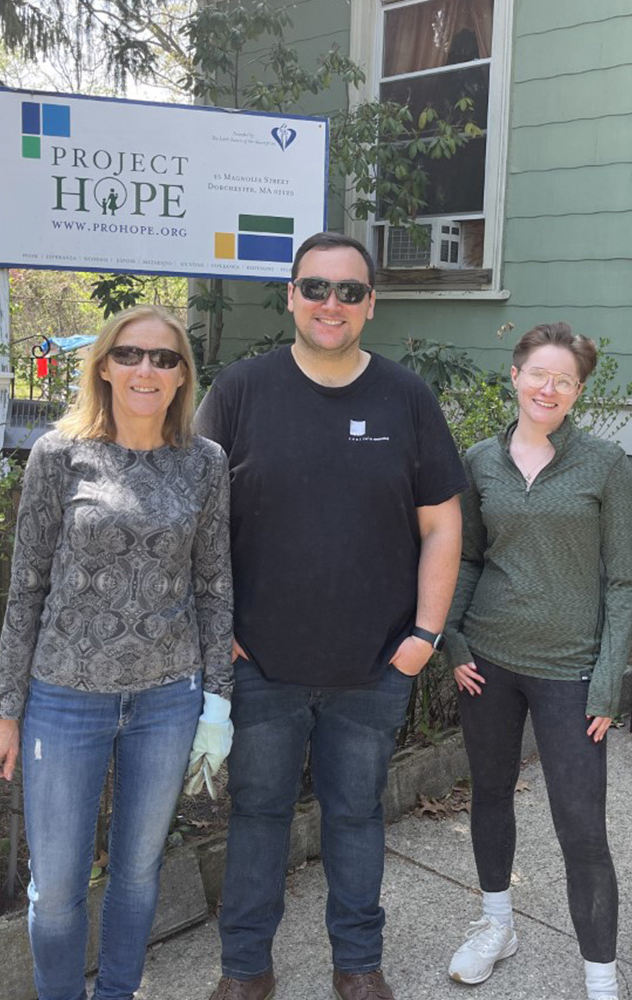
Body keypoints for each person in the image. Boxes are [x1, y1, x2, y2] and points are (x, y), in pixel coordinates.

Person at [195, 232, 467, 1000]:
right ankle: (245, 969)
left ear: (371, 305)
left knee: (357, 820)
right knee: (257, 821)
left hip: (374, 665)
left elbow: (442, 523)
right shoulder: (240, 391)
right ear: (290, 295)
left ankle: (358, 965)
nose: (331, 304)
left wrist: (424, 636)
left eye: (350, 292)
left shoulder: (405, 397)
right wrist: (223, 634)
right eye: (315, 288)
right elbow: (199, 522)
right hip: (262, 666)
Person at [0, 304, 235, 1000]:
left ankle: (117, 992)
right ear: (104, 366)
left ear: (183, 376)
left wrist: (217, 704)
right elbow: (25, 589)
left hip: (167, 701)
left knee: (139, 870)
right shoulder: (59, 455)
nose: (146, 370)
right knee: (56, 886)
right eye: (130, 355)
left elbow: (213, 586)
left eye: (164, 358)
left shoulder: (205, 464)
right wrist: (5, 712)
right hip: (64, 698)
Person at [443, 323, 632, 1000]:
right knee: (491, 795)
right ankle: (497, 924)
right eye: (538, 374)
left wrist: (607, 680)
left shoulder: (606, 465)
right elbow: (466, 557)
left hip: (570, 670)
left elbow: (622, 582)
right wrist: (453, 640)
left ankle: (601, 977)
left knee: (581, 825)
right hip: (489, 661)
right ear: (515, 375)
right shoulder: (479, 461)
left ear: (578, 391)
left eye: (564, 380)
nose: (548, 388)